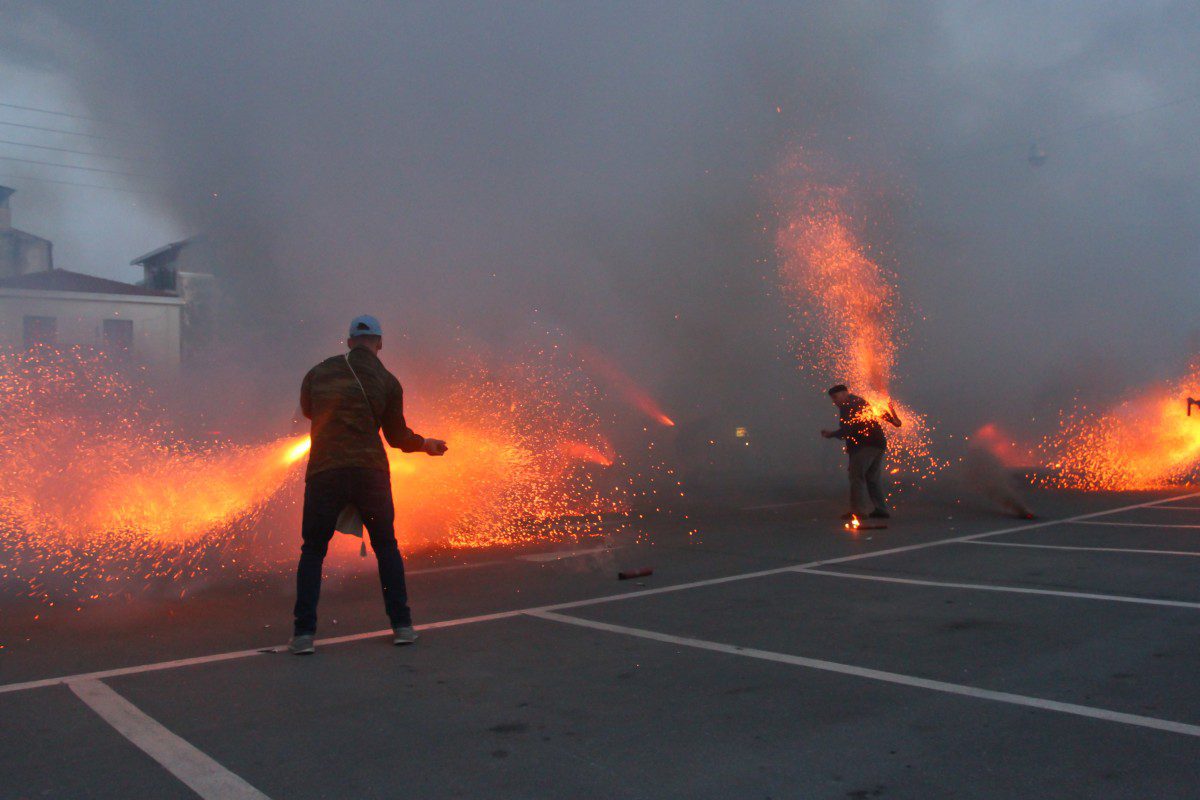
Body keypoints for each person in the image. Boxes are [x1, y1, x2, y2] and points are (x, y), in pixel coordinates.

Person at [289, 315, 447, 655]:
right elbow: (396, 437)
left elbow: (307, 411)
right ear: (379, 343)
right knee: (386, 547)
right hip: (369, 473)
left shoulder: (318, 372)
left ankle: (303, 635)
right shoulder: (388, 381)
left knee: (313, 550)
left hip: (325, 472)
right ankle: (402, 626)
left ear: (348, 342)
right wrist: (426, 444)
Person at [820, 384, 892, 521]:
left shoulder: (848, 406)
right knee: (872, 478)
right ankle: (881, 509)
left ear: (844, 394)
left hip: (865, 445)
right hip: (877, 443)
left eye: (835, 397)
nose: (834, 401)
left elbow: (847, 430)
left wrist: (831, 434)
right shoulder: (859, 401)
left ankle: (858, 511)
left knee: (856, 477)